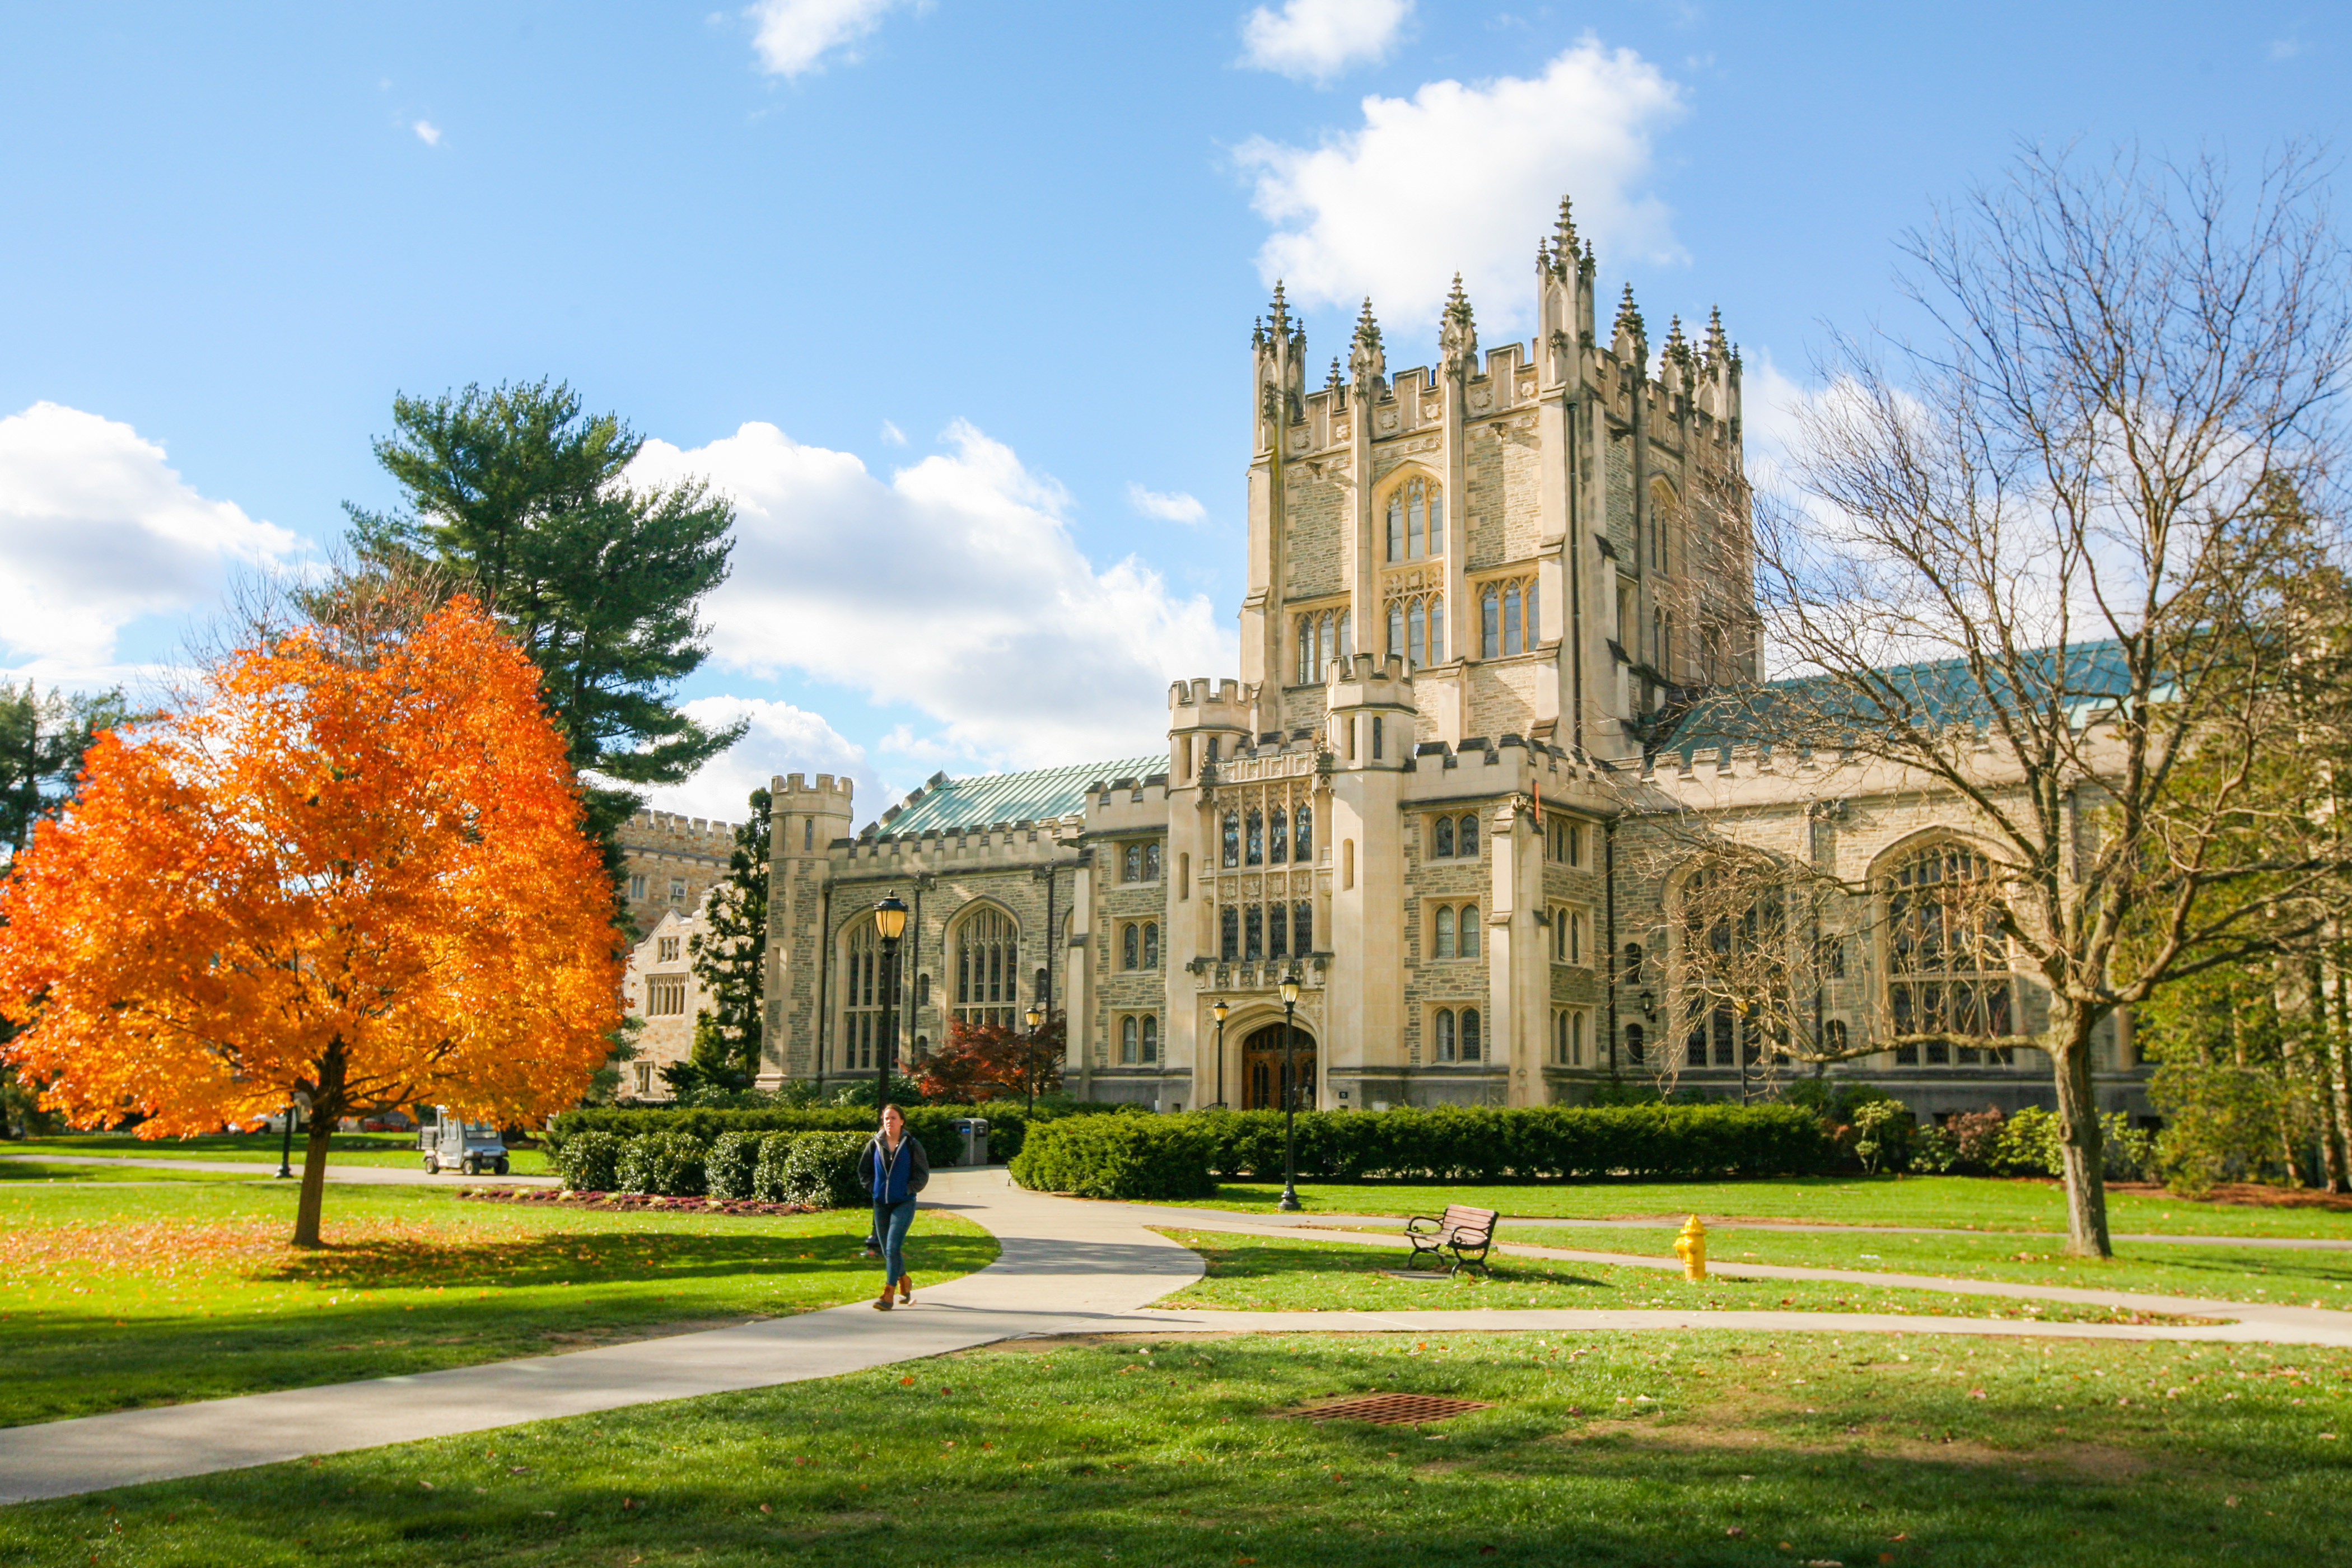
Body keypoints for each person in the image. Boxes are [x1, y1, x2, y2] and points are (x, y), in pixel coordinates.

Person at [858, 1103, 930, 1309]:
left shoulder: (911, 1145)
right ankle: (904, 1281)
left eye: (893, 1118)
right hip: (881, 1203)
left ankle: (888, 1294)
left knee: (892, 1247)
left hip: (904, 1203)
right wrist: (874, 1189)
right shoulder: (875, 1144)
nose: (889, 1122)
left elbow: (922, 1174)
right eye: (886, 1118)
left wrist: (909, 1190)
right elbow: (864, 1172)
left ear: (902, 1121)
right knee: (888, 1249)